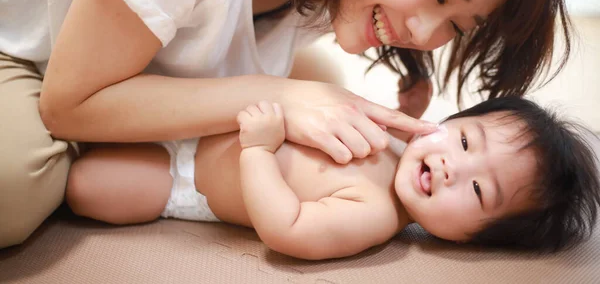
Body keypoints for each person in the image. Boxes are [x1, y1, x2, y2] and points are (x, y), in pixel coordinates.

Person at [0, 0, 571, 247]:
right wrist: (282, 95)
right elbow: (66, 103)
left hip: (126, 37)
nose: (424, 34)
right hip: (26, 40)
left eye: (455, 25)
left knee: (328, 93)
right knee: (14, 184)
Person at [65, 97, 600, 260]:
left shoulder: (374, 214)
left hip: (185, 176)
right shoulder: (393, 136)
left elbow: (288, 228)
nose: (451, 166)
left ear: (469, 237)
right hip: (202, 110)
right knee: (109, 108)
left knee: (85, 184)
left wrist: (258, 151)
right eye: (464, 140)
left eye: (480, 191)